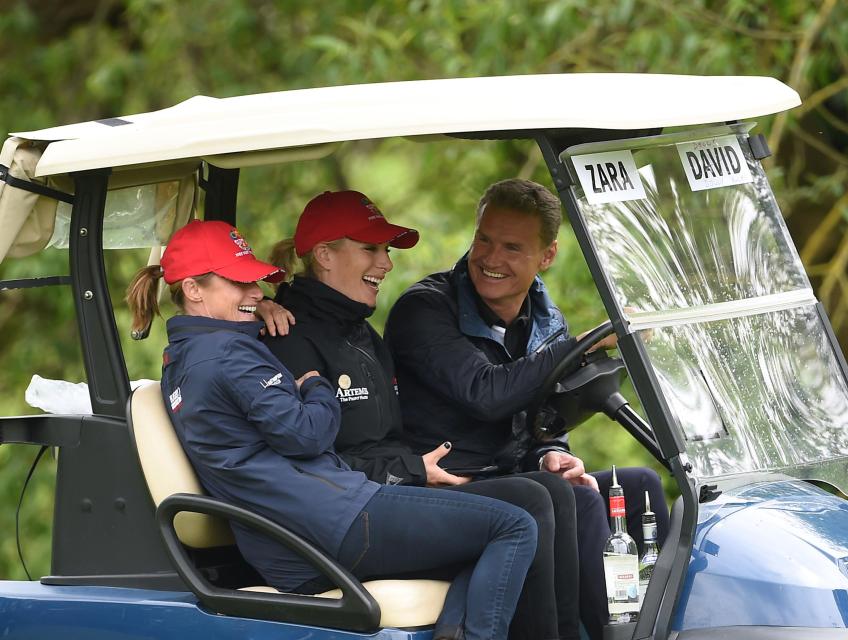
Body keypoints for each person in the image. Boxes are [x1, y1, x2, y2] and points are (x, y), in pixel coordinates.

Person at [125, 219, 538, 640]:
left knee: (484, 535)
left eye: (257, 283)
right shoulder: (228, 355)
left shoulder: (185, 354)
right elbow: (306, 435)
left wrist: (257, 311)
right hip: (328, 525)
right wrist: (315, 384)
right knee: (515, 526)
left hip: (302, 532)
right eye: (240, 284)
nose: (256, 293)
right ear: (194, 289)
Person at [261, 190, 578, 640]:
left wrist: (546, 448)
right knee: (527, 503)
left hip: (384, 496)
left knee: (550, 492)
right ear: (325, 255)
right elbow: (301, 458)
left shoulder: (360, 334)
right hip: (343, 517)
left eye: (385, 250)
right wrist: (410, 470)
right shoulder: (286, 335)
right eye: (370, 249)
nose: (386, 264)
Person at [383, 179, 670, 640]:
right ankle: (602, 634)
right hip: (445, 487)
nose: (491, 260)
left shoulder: (545, 319)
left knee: (640, 485)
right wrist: (578, 346)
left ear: (547, 256)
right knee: (576, 499)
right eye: (484, 240)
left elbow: (545, 415)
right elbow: (487, 393)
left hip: (514, 477)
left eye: (512, 248)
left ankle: (651, 625)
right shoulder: (425, 309)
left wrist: (551, 452)